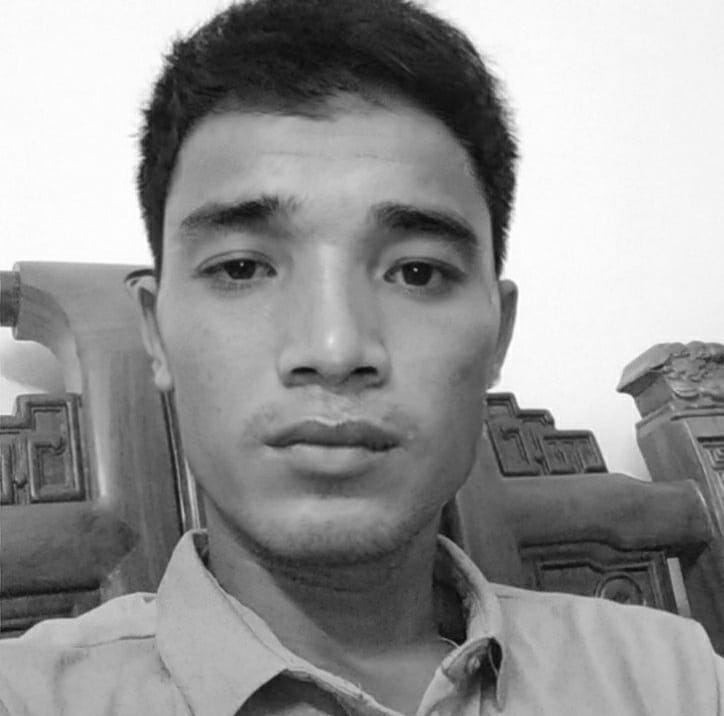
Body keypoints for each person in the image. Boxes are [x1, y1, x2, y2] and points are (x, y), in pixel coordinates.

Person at [1, 0, 722, 714]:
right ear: (156, 335)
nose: (335, 350)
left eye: (417, 272)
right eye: (243, 268)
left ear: (498, 338)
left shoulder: (672, 678)